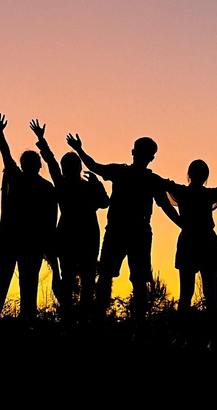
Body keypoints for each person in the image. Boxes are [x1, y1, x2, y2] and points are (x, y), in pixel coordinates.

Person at [66, 132, 180, 317]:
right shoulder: (147, 179)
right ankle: (132, 321)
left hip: (122, 232)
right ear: (151, 157)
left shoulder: (126, 174)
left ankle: (101, 318)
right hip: (132, 232)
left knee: (113, 276)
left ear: (133, 152)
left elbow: (95, 166)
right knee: (131, 279)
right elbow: (166, 206)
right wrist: (183, 224)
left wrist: (79, 149)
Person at [30, 120, 109, 321]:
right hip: (78, 236)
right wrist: (41, 139)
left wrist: (98, 185)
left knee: (81, 278)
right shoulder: (72, 185)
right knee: (81, 279)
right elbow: (52, 162)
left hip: (77, 236)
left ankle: (74, 316)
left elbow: (104, 202)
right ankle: (76, 316)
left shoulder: (73, 185)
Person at [0, 114, 57, 323]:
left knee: (1, 282)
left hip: (12, 238)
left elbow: (6, 155)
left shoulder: (19, 178)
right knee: (27, 284)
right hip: (29, 242)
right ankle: (25, 323)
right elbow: (51, 221)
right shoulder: (45, 187)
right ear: (38, 165)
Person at [166, 160, 217, 317]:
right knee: (210, 296)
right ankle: (212, 333)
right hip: (206, 242)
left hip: (189, 241)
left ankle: (183, 332)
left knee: (186, 294)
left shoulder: (183, 192)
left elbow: (163, 185)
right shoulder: (208, 194)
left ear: (189, 175)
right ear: (206, 176)